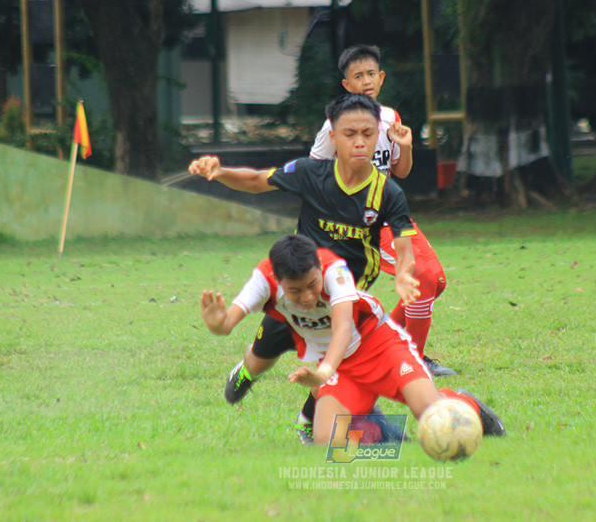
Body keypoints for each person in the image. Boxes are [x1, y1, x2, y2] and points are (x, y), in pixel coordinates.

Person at [189, 93, 420, 440]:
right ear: (332, 137)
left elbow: (404, 248)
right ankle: (247, 373)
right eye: (349, 134)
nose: (360, 142)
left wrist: (403, 274)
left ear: (379, 136)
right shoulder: (311, 173)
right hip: (298, 285)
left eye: (368, 134)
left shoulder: (388, 193)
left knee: (338, 358)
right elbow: (255, 181)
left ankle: (310, 422)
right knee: (262, 354)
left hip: (345, 290)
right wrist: (220, 172)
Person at [199, 233, 505, 445]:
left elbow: (344, 328)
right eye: (295, 291)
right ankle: (390, 437)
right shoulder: (262, 280)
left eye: (312, 285)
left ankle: (467, 403)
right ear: (278, 282)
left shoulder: (335, 269)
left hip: (379, 347)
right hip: (339, 369)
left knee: (428, 411)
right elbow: (226, 325)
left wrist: (322, 373)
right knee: (327, 442)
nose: (307, 297)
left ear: (319, 269)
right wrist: (216, 324)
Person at [309, 45, 455, 377]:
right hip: (359, 225)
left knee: (437, 281)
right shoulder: (336, 125)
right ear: (346, 84)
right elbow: (314, 174)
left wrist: (406, 146)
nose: (366, 81)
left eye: (371, 74)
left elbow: (400, 172)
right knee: (424, 278)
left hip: (391, 216)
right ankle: (412, 363)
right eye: (357, 76)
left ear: (381, 77)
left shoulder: (390, 117)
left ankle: (386, 344)